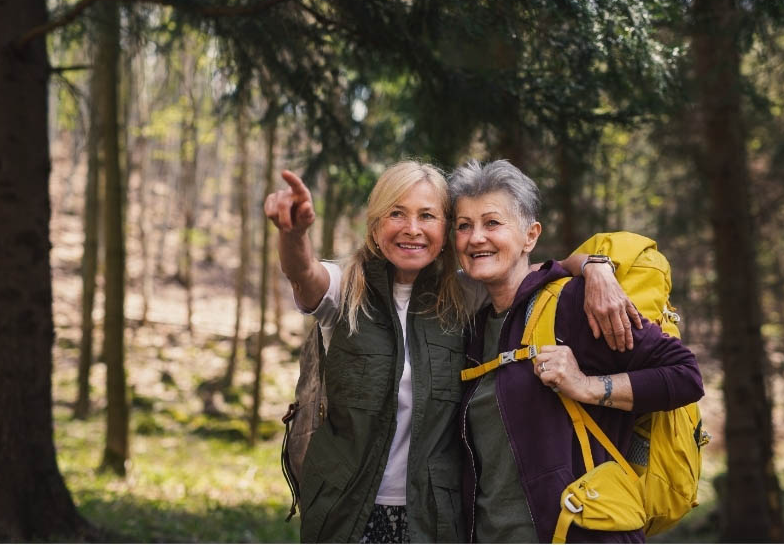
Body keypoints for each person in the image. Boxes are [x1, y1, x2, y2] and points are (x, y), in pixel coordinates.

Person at [265, 161, 642, 543]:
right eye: (397, 213)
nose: (412, 228)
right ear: (376, 224)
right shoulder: (345, 287)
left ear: (444, 229)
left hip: (434, 518)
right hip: (346, 511)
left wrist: (597, 268)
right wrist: (294, 235)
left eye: (427, 215)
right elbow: (304, 273)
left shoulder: (466, 291)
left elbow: (545, 269)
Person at [448, 160, 704, 544]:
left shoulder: (575, 304)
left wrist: (587, 386)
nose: (475, 237)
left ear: (530, 236)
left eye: (492, 223)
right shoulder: (474, 329)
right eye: (464, 226)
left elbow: (685, 375)